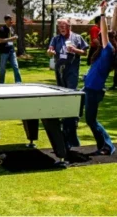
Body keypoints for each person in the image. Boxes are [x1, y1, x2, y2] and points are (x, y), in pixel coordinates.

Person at [47, 19, 89, 150]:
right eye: (59, 27)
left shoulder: (77, 37)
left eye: (63, 26)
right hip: (60, 70)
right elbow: (49, 50)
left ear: (69, 26)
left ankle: (72, 121)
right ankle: (64, 120)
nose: (61, 28)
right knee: (61, 94)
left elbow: (85, 52)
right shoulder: (56, 39)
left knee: (71, 94)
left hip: (72, 71)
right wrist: (50, 53)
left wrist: (75, 50)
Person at [84, 2, 116, 155]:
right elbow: (111, 31)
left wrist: (102, 13)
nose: (97, 38)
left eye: (101, 37)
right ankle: (102, 145)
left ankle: (108, 145)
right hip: (88, 89)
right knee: (84, 118)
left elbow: (106, 32)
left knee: (91, 120)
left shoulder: (108, 51)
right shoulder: (101, 54)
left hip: (94, 91)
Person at [0, 15, 22, 84]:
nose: (11, 21)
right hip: (4, 51)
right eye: (9, 20)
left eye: (11, 20)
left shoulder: (12, 29)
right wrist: (11, 39)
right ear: (5, 21)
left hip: (12, 51)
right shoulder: (2, 29)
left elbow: (12, 38)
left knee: (16, 66)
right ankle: (1, 83)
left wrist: (15, 37)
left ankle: (18, 82)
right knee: (2, 68)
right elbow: (0, 40)